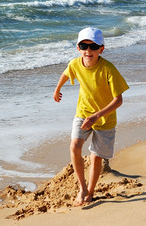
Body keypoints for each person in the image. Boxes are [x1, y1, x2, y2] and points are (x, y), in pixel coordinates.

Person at [53, 27, 129, 206]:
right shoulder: (75, 63)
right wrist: (57, 89)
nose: (88, 51)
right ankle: (82, 188)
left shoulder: (108, 69)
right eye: (84, 46)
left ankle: (91, 192)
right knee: (74, 147)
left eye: (93, 47)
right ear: (78, 48)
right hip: (83, 112)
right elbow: (66, 73)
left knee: (96, 157)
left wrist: (97, 116)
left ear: (101, 49)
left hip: (105, 118)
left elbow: (118, 100)